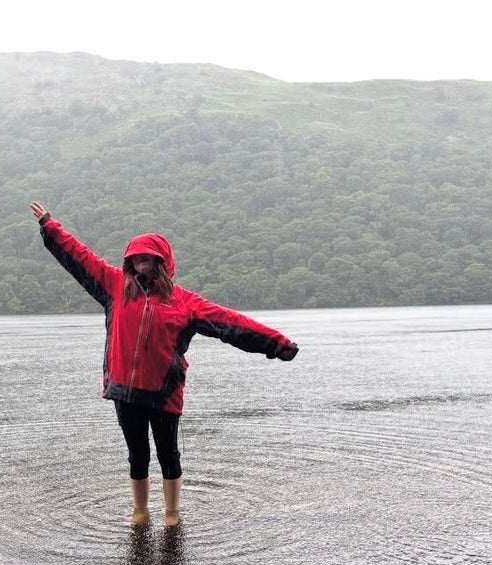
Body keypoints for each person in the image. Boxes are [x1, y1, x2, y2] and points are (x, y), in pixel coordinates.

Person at [30, 201, 299, 527]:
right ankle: (140, 511)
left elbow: (232, 324)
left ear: (161, 261)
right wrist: (50, 225)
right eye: (135, 257)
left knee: (168, 455)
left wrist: (277, 344)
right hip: (124, 391)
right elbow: (79, 257)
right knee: (137, 455)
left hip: (164, 393)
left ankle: (171, 513)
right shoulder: (114, 286)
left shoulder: (185, 303)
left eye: (146, 256)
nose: (139, 261)